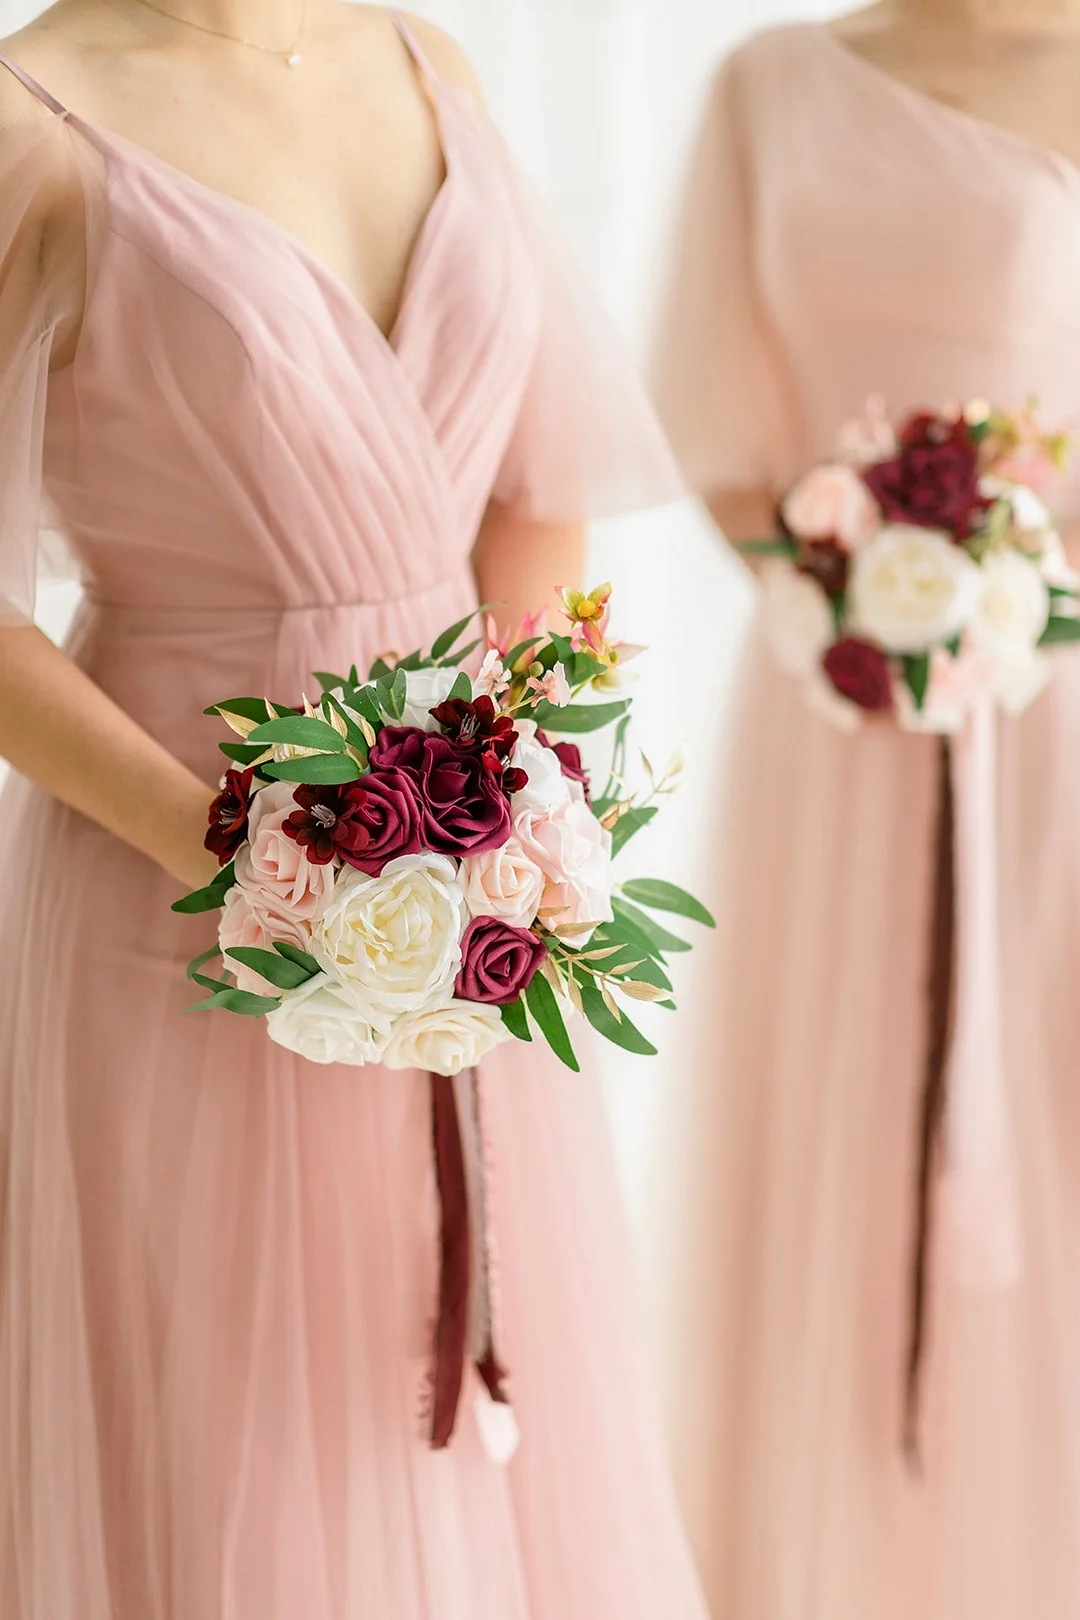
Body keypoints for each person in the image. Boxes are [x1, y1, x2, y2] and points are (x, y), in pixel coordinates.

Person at [0, 4, 708, 1615]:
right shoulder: (34, 120)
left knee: (466, 1399)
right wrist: (264, 863)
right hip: (174, 888)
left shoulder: (425, 57)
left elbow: (537, 486)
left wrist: (513, 804)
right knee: (245, 1422)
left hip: (476, 881)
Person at [651, 3, 1080, 1617]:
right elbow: (713, 420)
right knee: (827, 1091)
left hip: (1052, 710)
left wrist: (1007, 605)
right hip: (827, 697)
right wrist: (846, 605)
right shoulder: (765, 87)